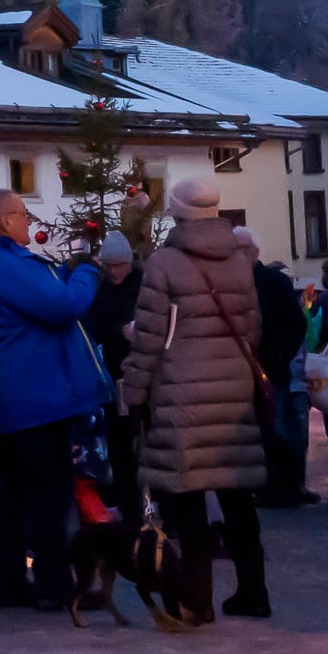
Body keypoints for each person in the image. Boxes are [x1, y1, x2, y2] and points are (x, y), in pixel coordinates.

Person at [118, 180, 269, 624]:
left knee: (188, 503)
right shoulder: (241, 261)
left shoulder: (164, 263)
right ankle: (254, 592)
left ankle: (197, 599)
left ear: (176, 211)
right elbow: (252, 330)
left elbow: (148, 339)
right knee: (239, 500)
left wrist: (133, 393)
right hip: (232, 393)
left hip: (180, 395)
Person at [0, 188, 108, 612]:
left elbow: (42, 295)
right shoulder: (0, 264)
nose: (30, 221)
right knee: (49, 493)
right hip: (35, 396)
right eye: (23, 215)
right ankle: (53, 585)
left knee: (15, 493)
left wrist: (62, 273)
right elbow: (63, 306)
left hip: (16, 397)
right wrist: (85, 272)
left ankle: (7, 583)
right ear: (5, 222)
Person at [248, 233, 316, 508]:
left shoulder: (273, 282)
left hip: (273, 368)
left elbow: (297, 324)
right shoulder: (241, 282)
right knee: (271, 429)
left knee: (281, 427)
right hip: (256, 366)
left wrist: (280, 355)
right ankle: (275, 485)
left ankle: (287, 487)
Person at [84, 233, 144, 519]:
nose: (114, 271)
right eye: (109, 266)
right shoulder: (101, 290)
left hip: (144, 373)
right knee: (120, 446)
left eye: (119, 265)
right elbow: (91, 325)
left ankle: (163, 510)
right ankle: (129, 508)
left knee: (150, 442)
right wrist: (119, 330)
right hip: (114, 375)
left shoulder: (144, 286)